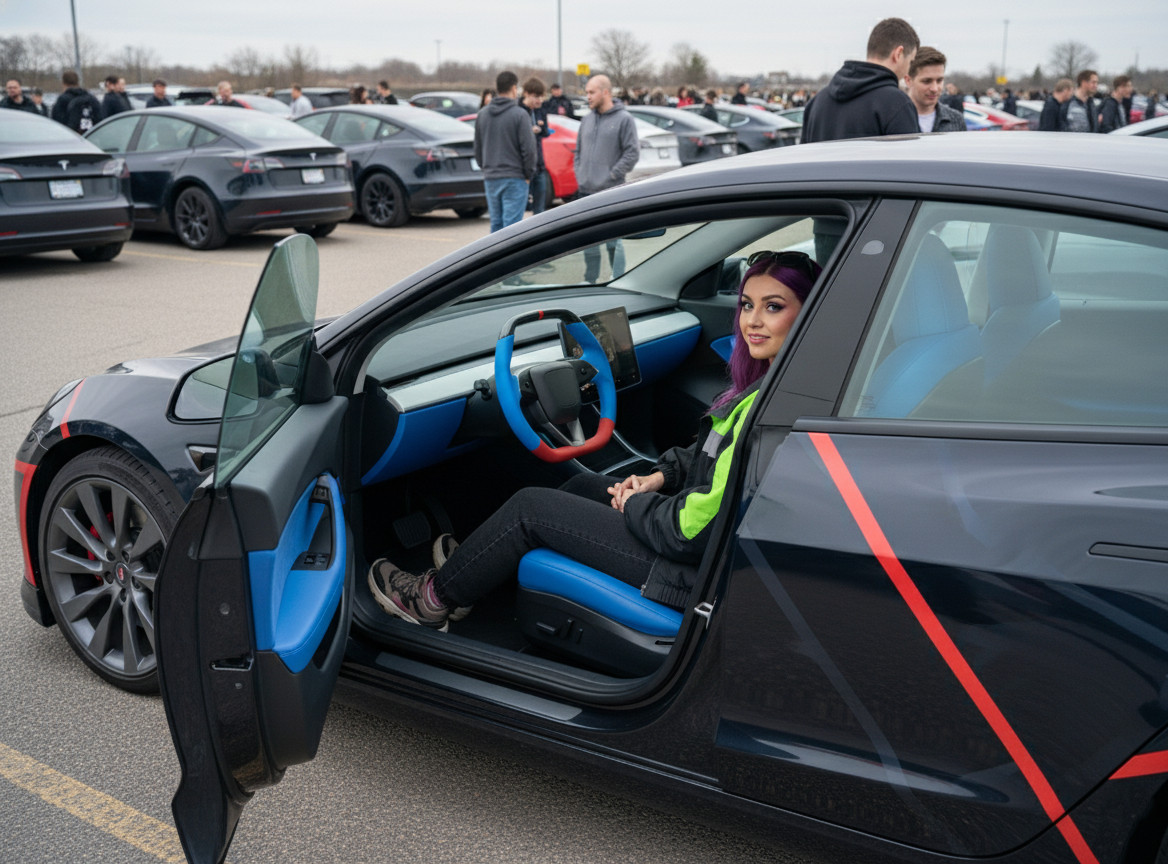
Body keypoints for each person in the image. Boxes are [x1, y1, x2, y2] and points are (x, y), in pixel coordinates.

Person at [367, 250, 821, 629]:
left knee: (530, 507)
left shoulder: (770, 410)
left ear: (810, 310)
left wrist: (635, 505)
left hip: (691, 571)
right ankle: (475, 570)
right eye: (747, 305)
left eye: (774, 307)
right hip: (705, 549)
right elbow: (707, 454)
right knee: (588, 486)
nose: (752, 322)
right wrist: (656, 478)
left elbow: (691, 530)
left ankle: (432, 600)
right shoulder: (777, 384)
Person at [802, 16, 920, 266]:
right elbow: (912, 177)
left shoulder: (817, 103)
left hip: (825, 231)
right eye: (911, 60)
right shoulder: (895, 103)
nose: (908, 70)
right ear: (898, 53)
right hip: (877, 233)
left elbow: (803, 169)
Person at [576, 74, 639, 281]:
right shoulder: (586, 119)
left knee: (613, 243)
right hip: (585, 192)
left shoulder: (624, 119)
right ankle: (589, 280)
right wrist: (580, 173)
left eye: (591, 92)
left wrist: (611, 175)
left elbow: (632, 153)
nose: (588, 97)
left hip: (612, 193)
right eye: (586, 92)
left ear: (605, 92)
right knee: (588, 243)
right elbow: (578, 152)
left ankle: (617, 281)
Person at [473, 70, 537, 233]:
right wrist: (528, 175)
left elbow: (478, 148)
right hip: (514, 178)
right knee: (512, 229)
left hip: (491, 177)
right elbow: (529, 150)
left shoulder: (482, 114)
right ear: (514, 89)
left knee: (496, 225)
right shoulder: (520, 115)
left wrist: (486, 168)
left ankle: (496, 258)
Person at [904, 47, 966, 133]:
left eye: (939, 81)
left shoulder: (956, 120)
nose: (935, 88)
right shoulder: (891, 119)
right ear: (908, 81)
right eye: (926, 81)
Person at [518, 77, 551, 216]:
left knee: (540, 210)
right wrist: (528, 131)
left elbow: (546, 131)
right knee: (519, 207)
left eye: (542, 97)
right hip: (522, 168)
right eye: (536, 96)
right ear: (526, 94)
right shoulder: (518, 111)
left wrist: (541, 130)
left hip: (539, 165)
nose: (540, 100)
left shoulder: (540, 111)